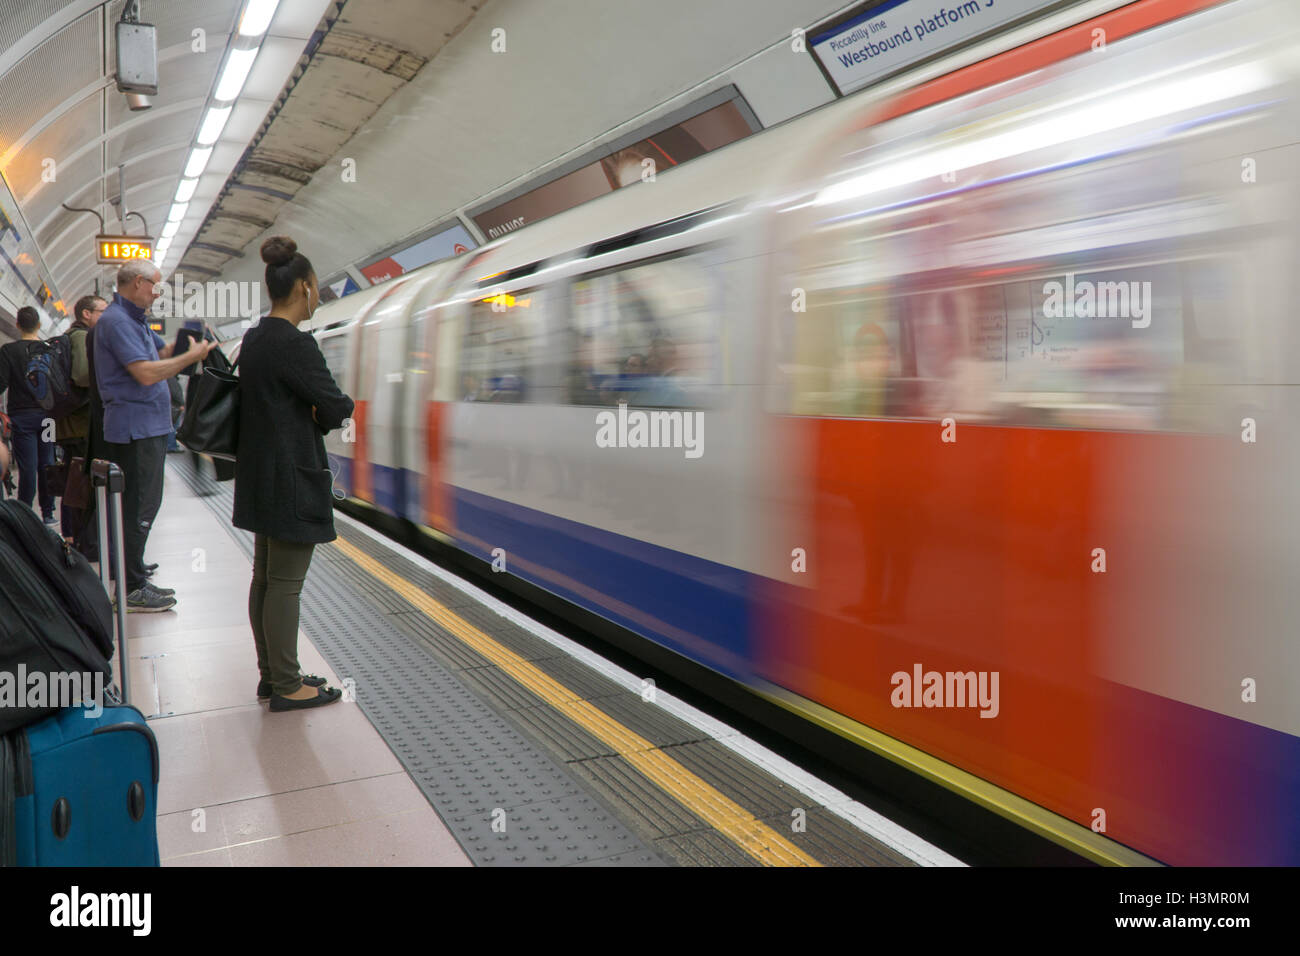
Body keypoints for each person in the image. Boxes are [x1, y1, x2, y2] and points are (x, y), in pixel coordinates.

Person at [233, 236, 352, 711]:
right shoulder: (294, 344)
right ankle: (286, 685)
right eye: (316, 285)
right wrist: (322, 413)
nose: (317, 293)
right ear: (304, 287)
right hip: (291, 480)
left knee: (264, 578)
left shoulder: (256, 338)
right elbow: (337, 406)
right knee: (285, 584)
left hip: (260, 475)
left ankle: (273, 674)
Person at [94, 262, 215, 612]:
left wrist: (183, 344)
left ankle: (135, 578)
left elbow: (159, 354)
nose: (157, 293)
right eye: (155, 287)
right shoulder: (116, 321)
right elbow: (145, 373)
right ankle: (131, 590)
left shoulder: (134, 320)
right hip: (135, 429)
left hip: (147, 427)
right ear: (136, 283)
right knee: (138, 508)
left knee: (144, 504)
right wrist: (190, 358)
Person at [56, 295, 107, 545]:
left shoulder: (73, 336)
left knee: (74, 480)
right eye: (102, 311)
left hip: (72, 422)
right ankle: (81, 540)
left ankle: (77, 537)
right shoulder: (81, 337)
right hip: (77, 423)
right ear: (86, 314)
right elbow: (83, 376)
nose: (106, 316)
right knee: (78, 483)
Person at [0, 306, 57, 523]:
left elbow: (2, 383)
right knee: (48, 463)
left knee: (28, 467)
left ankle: (25, 515)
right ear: (40, 326)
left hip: (22, 418)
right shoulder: (49, 350)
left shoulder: (8, 351)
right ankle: (49, 513)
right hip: (48, 417)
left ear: (17, 325)